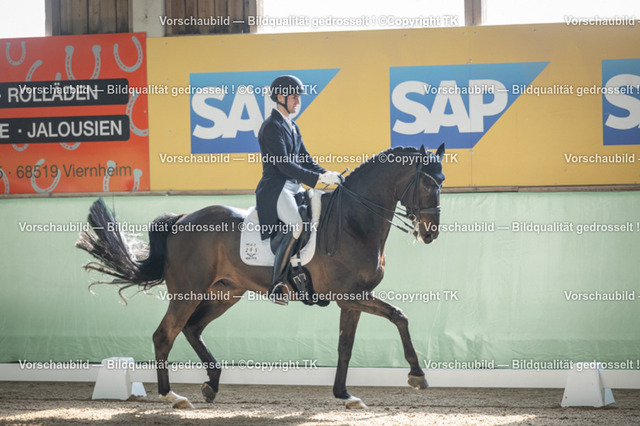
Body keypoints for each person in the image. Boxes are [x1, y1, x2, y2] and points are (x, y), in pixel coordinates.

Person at [255, 75, 343, 305]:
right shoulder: (271, 127)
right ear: (280, 97)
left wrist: (328, 174)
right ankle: (277, 284)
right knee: (296, 225)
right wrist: (317, 179)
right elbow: (284, 165)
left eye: (298, 97)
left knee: (318, 217)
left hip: (294, 186)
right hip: (276, 188)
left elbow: (306, 159)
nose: (298, 101)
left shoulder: (292, 126)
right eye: (293, 97)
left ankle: (304, 271)